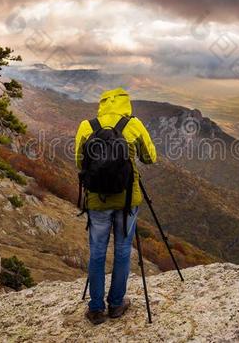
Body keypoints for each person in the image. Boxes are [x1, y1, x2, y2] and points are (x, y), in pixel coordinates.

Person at [75, 88, 157, 325]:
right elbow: (151, 157)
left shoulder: (86, 126)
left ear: (102, 104)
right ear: (125, 104)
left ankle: (96, 308)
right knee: (122, 250)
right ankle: (117, 304)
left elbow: (80, 162)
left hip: (96, 200)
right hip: (126, 201)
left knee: (97, 251)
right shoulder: (133, 124)